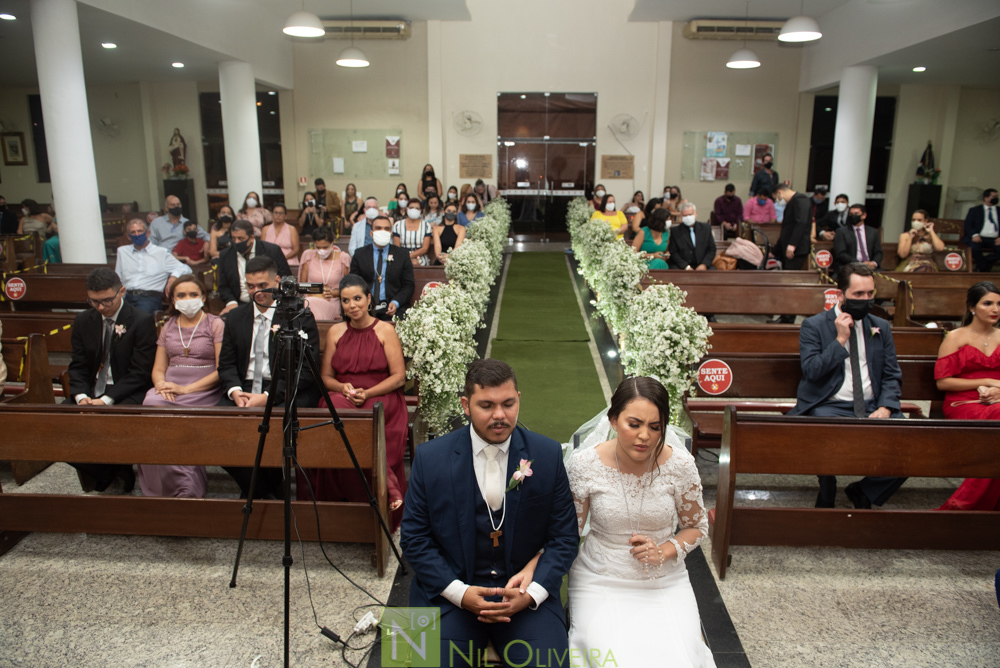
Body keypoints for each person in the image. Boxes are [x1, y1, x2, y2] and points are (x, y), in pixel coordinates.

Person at [400, 359, 579, 666]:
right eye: (486, 405)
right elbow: (414, 539)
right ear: (465, 405)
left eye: (508, 404)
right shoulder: (430, 458)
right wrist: (459, 593)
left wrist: (532, 593)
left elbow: (565, 538)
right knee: (414, 663)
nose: (500, 415)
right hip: (447, 596)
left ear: (519, 399)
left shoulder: (547, 454)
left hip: (525, 601)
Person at [566, 377, 715, 667]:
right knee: (616, 659)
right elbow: (568, 533)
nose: (644, 435)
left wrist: (665, 550)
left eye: (654, 427)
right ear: (613, 420)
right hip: (601, 577)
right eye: (634, 424)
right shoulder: (585, 465)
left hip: (665, 579)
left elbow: (697, 527)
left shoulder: (680, 466)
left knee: (679, 659)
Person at [788, 263, 906, 509]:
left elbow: (892, 374)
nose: (866, 300)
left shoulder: (880, 327)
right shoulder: (815, 325)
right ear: (840, 294)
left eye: (870, 294)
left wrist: (885, 406)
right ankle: (827, 483)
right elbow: (812, 371)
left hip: (873, 404)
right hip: (829, 404)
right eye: (858, 294)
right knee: (824, 433)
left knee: (912, 447)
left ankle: (864, 490)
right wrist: (840, 339)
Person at [297, 274, 408, 525]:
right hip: (344, 394)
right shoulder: (336, 331)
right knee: (332, 407)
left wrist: (368, 393)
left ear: (369, 299)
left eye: (357, 298)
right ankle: (388, 485)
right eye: (345, 301)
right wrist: (343, 387)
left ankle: (383, 489)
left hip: (381, 394)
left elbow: (399, 377)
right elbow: (325, 377)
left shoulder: (385, 330)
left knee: (361, 417)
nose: (352, 305)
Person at [217, 256, 320, 498]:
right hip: (243, 388)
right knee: (217, 433)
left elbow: (305, 370)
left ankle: (258, 494)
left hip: (283, 389)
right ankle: (265, 493)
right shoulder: (235, 317)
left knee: (277, 431)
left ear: (276, 281)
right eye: (250, 286)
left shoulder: (298, 316)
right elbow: (227, 364)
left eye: (261, 285)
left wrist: (267, 396)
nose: (256, 292)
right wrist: (234, 391)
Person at [67, 267, 156, 493]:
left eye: (107, 301)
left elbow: (140, 372)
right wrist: (81, 397)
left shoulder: (140, 321)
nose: (100, 307)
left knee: (114, 427)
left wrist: (106, 400)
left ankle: (114, 469)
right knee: (57, 429)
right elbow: (78, 365)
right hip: (90, 390)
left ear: (122, 291)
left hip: (126, 390)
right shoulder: (83, 320)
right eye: (93, 301)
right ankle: (113, 471)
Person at [139, 275, 223, 498]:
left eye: (193, 295)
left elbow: (221, 368)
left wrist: (186, 389)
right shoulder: (168, 325)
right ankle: (165, 486)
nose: (188, 299)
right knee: (152, 403)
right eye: (182, 295)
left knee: (178, 419)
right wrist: (161, 385)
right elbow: (158, 367)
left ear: (203, 298)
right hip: (170, 385)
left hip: (203, 387)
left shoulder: (215, 323)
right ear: (173, 300)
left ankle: (187, 487)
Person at [934, 281, 1000, 511]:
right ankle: (966, 502)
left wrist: (998, 390)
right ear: (972, 307)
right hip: (963, 402)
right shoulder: (955, 337)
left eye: (999, 304)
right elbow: (943, 382)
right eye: (988, 303)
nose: (996, 309)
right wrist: (987, 381)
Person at [217, 220, 291, 316]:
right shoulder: (225, 255)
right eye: (233, 238)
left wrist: (274, 300)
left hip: (270, 302)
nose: (236, 242)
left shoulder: (272, 251)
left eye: (240, 238)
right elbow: (223, 286)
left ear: (251, 237)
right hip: (239, 305)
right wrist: (231, 303)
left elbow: (285, 279)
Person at [115, 219, 188, 315]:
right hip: (126, 296)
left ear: (147, 233)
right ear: (128, 236)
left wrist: (173, 276)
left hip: (149, 298)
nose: (137, 234)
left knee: (140, 320)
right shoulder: (122, 252)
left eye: (140, 231)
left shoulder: (161, 252)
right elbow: (117, 277)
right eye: (133, 232)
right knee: (120, 324)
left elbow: (185, 268)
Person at [349, 215, 415, 322]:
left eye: (386, 229)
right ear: (371, 233)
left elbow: (408, 285)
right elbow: (353, 283)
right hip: (366, 306)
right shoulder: (360, 254)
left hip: (392, 306)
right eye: (378, 228)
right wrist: (363, 302)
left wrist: (396, 302)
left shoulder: (402, 255)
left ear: (391, 233)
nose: (382, 231)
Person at [298, 226, 351, 321]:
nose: (322, 250)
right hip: (311, 300)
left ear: (332, 243)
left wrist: (333, 293)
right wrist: (318, 291)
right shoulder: (308, 256)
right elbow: (302, 286)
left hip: (333, 301)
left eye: (325, 247)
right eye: (318, 247)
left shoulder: (344, 258)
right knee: (309, 303)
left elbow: (349, 288)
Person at [832, 203, 881, 272]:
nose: (853, 216)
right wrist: (860, 264)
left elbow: (878, 252)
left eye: (856, 213)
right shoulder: (841, 232)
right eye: (851, 214)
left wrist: (874, 263)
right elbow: (841, 254)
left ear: (864, 215)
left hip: (871, 267)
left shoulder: (873, 232)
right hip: (850, 267)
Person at [775, 183, 812, 271]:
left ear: (780, 193)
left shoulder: (801, 200)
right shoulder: (791, 202)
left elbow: (801, 222)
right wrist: (775, 251)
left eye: (776, 197)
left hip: (796, 249)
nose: (777, 200)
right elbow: (787, 228)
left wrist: (792, 244)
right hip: (788, 247)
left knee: (791, 277)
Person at [668, 203, 715, 271]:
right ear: (681, 216)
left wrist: (704, 264)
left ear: (696, 214)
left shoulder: (706, 228)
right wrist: (686, 267)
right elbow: (673, 252)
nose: (688, 217)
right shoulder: (675, 231)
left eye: (690, 214)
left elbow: (712, 249)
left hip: (702, 264)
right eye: (685, 215)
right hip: (682, 266)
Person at [961, 187, 999, 273]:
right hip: (978, 237)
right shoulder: (975, 210)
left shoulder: (999, 211)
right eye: (993, 196)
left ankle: (983, 264)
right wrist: (974, 234)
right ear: (986, 198)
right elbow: (968, 224)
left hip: (995, 239)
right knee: (973, 249)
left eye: (997, 196)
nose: (996, 198)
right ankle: (984, 267)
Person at [393, 198, 433, 267]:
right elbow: (397, 248)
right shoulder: (398, 225)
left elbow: (425, 248)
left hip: (421, 258)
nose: (414, 210)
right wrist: (406, 258)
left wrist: (410, 256)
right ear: (407, 209)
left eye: (417, 208)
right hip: (401, 257)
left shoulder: (426, 226)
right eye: (411, 208)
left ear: (421, 211)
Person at [261, 203, 300, 270]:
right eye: (276, 213)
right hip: (269, 261)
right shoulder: (265, 229)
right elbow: (262, 248)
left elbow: (296, 249)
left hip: (288, 259)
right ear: (272, 214)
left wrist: (283, 258)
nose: (278, 215)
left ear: (285, 215)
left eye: (281, 213)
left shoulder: (291, 229)